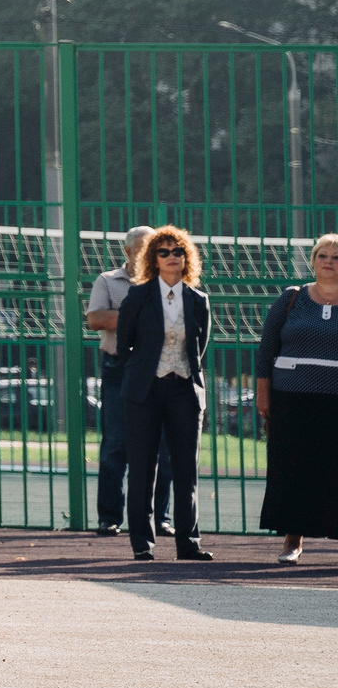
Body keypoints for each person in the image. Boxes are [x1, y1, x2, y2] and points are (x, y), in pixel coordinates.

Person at [117, 224, 211, 562]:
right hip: (145, 390)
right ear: (153, 259)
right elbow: (124, 344)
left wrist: (184, 377)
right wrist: (143, 371)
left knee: (186, 468)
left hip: (184, 389)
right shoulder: (138, 296)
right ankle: (143, 543)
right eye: (164, 252)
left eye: (178, 251)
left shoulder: (198, 299)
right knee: (142, 466)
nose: (172, 257)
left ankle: (188, 542)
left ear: (187, 259)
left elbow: (199, 348)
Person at [87, 226, 171, 537]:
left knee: (162, 448)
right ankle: (109, 517)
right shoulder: (107, 281)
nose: (150, 255)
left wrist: (122, 315)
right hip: (118, 369)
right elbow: (96, 319)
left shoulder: (168, 282)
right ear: (127, 252)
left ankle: (160, 518)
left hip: (160, 369)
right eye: (142, 248)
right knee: (115, 445)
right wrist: (143, 315)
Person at [259, 234, 338, 564]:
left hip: (334, 401)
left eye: (336, 257)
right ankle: (293, 541)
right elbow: (266, 350)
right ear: (314, 260)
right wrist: (264, 397)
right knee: (292, 470)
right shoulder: (291, 298)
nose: (329, 262)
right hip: (290, 399)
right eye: (323, 255)